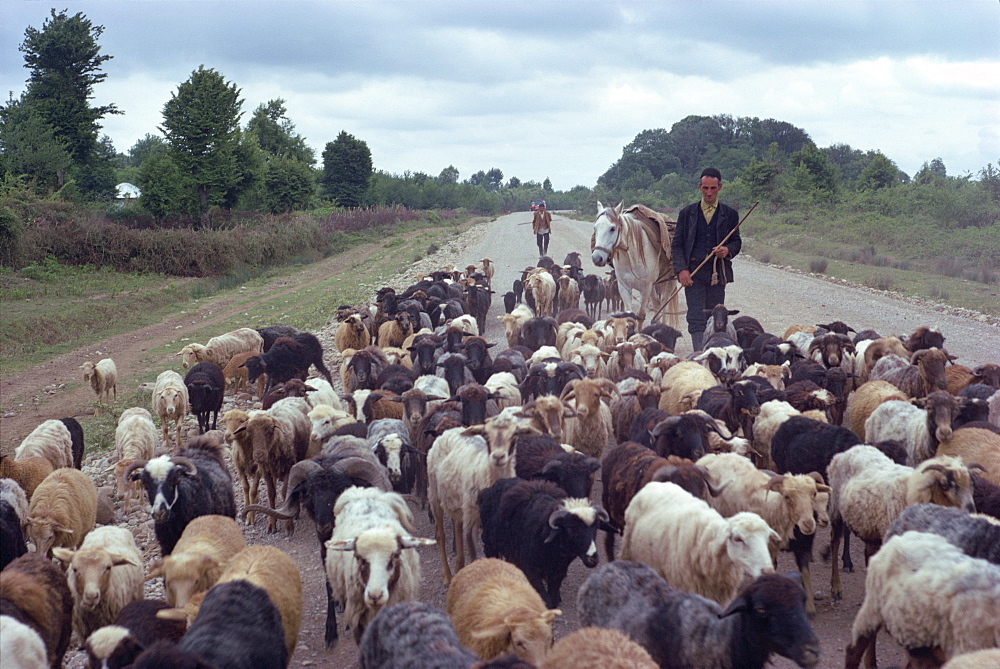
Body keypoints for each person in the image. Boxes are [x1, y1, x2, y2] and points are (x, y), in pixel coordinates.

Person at [670, 168, 741, 353]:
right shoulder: (687, 213)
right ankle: (699, 354)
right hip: (693, 273)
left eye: (713, 188)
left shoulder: (730, 214)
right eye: (705, 188)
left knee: (715, 316)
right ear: (699, 187)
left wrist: (727, 250)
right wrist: (681, 270)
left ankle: (714, 353)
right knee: (695, 316)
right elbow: (677, 245)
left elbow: (736, 242)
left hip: (718, 273)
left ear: (720, 187)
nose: (709, 193)